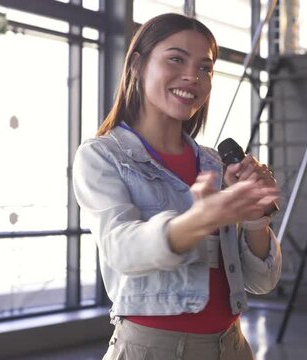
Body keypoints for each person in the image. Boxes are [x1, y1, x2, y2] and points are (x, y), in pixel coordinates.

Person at [72, 13, 282, 360]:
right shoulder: (103, 156)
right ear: (137, 65)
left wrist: (256, 217)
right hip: (152, 350)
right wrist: (198, 220)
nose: (192, 76)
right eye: (176, 59)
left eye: (205, 68)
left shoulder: (215, 164)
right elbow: (121, 249)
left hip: (232, 346)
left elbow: (261, 281)